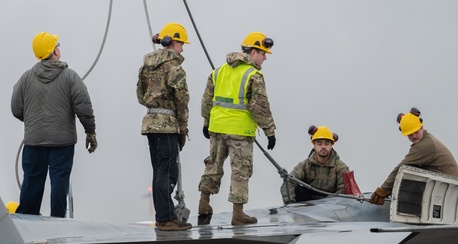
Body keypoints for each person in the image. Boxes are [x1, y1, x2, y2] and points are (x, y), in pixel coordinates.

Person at [11, 32, 97, 218]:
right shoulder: (70, 77)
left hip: (34, 142)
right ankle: (58, 222)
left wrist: (34, 123)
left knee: (32, 182)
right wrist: (90, 132)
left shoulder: (25, 78)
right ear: (55, 52)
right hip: (62, 143)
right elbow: (84, 107)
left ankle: (27, 220)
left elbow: (16, 109)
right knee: (59, 182)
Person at [197, 32, 277, 226]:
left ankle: (204, 204)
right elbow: (259, 107)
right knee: (240, 171)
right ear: (254, 52)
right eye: (263, 53)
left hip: (217, 128)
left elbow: (207, 100)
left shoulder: (219, 71)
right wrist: (270, 131)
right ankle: (238, 214)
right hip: (239, 132)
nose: (265, 58)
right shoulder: (253, 75)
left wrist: (206, 122)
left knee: (213, 166)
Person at [137, 22, 192, 232]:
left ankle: (162, 216)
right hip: (168, 126)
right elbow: (182, 101)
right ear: (171, 41)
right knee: (167, 172)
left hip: (150, 124)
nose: (183, 48)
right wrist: (183, 129)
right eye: (181, 43)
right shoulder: (175, 68)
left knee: (158, 171)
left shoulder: (146, 65)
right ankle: (167, 218)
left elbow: (140, 95)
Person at [369, 108, 458, 205]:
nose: (414, 136)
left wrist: (382, 191)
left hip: (445, 192)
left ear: (421, 127)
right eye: (410, 134)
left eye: (416, 132)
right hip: (448, 189)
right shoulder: (427, 139)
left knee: (406, 176)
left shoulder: (424, 147)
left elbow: (400, 168)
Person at [281, 125, 353, 204]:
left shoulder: (341, 167)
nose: (323, 147)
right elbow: (290, 182)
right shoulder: (305, 165)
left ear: (331, 145)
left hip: (332, 207)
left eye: (326, 143)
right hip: (307, 206)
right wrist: (289, 205)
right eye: (319, 144)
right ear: (314, 146)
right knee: (292, 184)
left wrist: (325, 203)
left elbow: (344, 190)